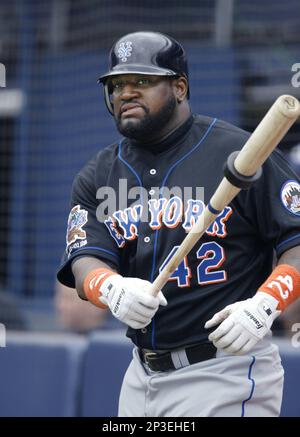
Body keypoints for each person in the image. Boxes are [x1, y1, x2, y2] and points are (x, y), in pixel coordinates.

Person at [57, 31, 300, 417]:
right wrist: (112, 287)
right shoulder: (98, 174)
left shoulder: (237, 153)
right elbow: (84, 258)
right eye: (117, 84)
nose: (126, 93)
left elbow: (296, 240)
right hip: (140, 375)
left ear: (180, 87)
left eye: (142, 81)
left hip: (226, 369)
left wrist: (267, 303)